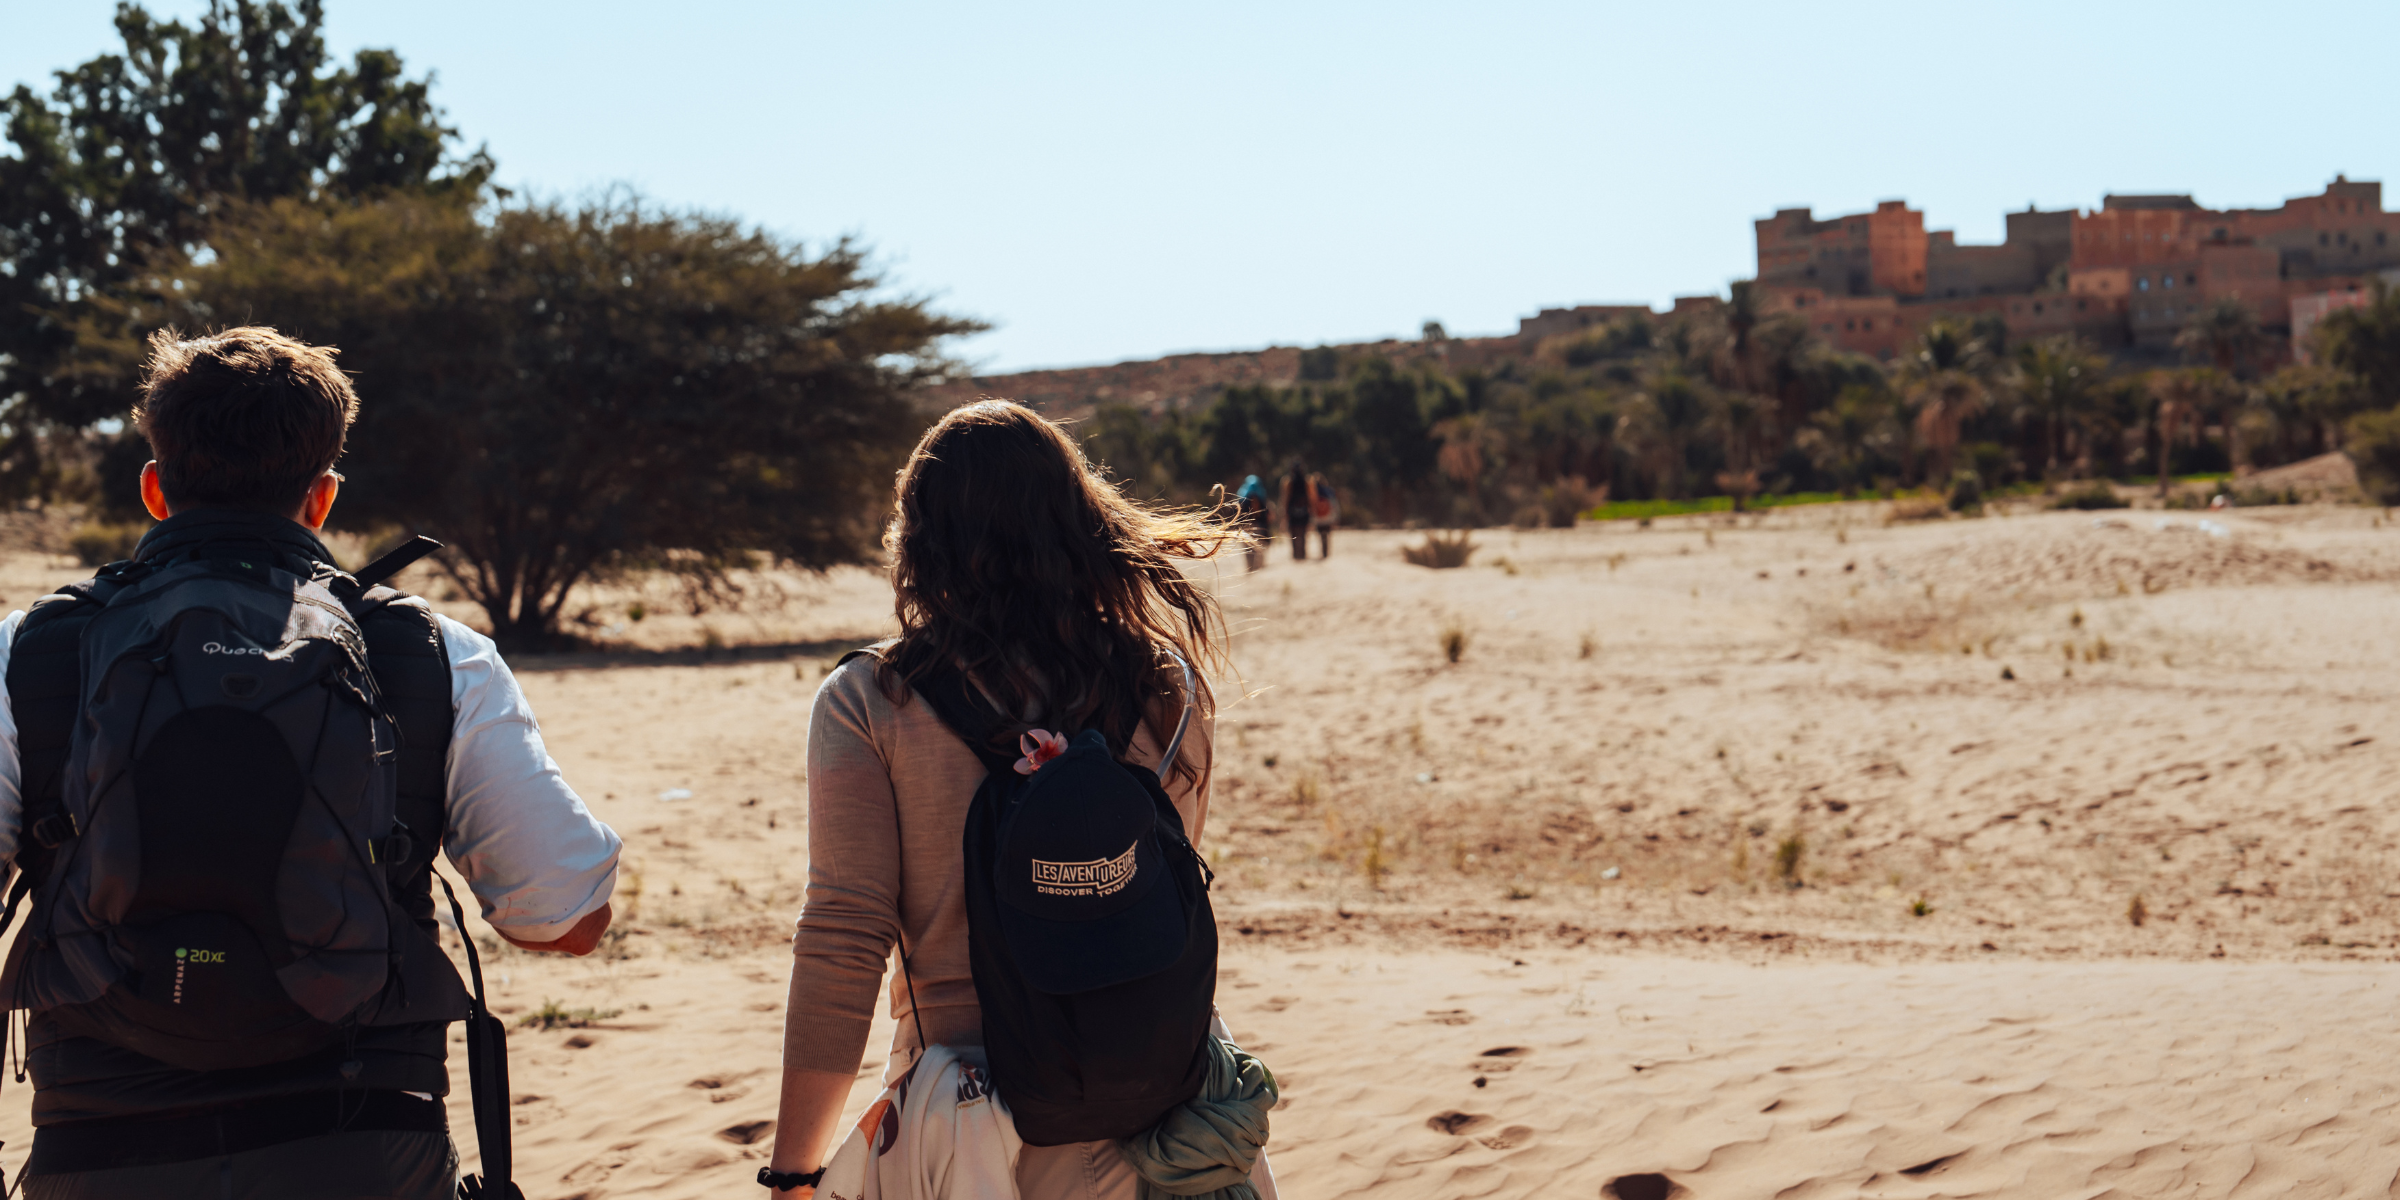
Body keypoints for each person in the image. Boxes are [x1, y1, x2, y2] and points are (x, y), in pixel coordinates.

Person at [2, 328, 622, 1199]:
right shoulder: (435, 653)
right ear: (322, 498)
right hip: (364, 1144)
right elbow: (565, 918)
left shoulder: (29, 650)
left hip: (102, 1148)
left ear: (154, 487)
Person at [769, 400, 1270, 1198]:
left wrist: (793, 1169)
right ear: (1081, 519)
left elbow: (843, 936)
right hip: (1160, 1103)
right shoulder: (1168, 688)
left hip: (968, 1124)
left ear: (919, 540)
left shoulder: (870, 702)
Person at [1278, 461, 1313, 561]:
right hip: (1304, 510)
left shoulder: (1288, 481)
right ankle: (1302, 553)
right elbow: (1311, 497)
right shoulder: (1307, 481)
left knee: (1293, 533)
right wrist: (1311, 510)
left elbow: (1285, 498)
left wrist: (1284, 512)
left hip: (1292, 511)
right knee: (1303, 533)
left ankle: (1295, 555)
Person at [1235, 474, 1269, 571]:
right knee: (1258, 546)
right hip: (1258, 526)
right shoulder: (1261, 496)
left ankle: (1250, 567)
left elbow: (1238, 514)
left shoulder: (1242, 498)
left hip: (1246, 527)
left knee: (1247, 548)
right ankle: (1258, 567)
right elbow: (1265, 514)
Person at [1307, 472, 1338, 560]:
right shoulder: (1329, 490)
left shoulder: (1313, 492)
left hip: (1318, 518)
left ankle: (1323, 551)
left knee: (1321, 534)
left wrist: (1311, 518)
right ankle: (1326, 551)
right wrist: (1335, 517)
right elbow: (1334, 504)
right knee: (1327, 535)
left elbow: (1311, 506)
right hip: (1328, 516)